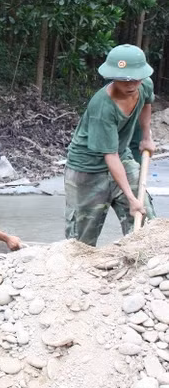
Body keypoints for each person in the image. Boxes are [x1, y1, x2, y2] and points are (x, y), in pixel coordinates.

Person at [65, 44, 156, 246]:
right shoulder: (102, 106)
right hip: (87, 170)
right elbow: (110, 156)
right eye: (124, 79)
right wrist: (130, 197)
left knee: (147, 220)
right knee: (81, 242)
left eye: (135, 78)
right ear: (113, 76)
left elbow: (147, 103)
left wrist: (146, 136)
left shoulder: (145, 85)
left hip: (121, 157)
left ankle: (143, 267)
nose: (131, 84)